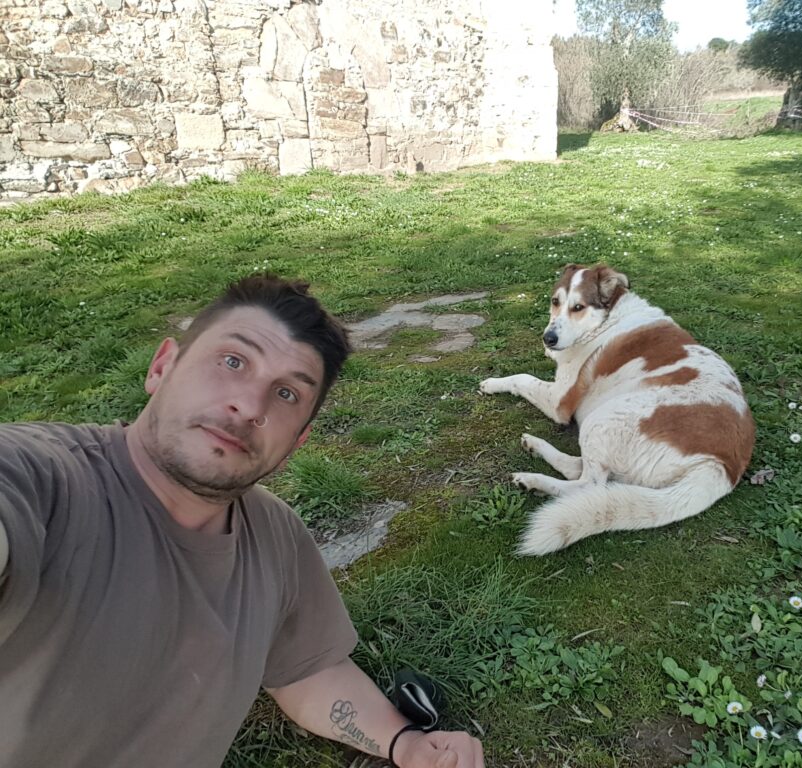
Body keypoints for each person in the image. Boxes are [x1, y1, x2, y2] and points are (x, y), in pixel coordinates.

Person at [0, 275, 484, 768]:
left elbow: (305, 672)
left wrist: (405, 743)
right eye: (233, 362)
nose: (250, 406)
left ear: (297, 442)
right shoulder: (41, 482)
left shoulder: (275, 534)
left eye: (287, 394)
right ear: (162, 367)